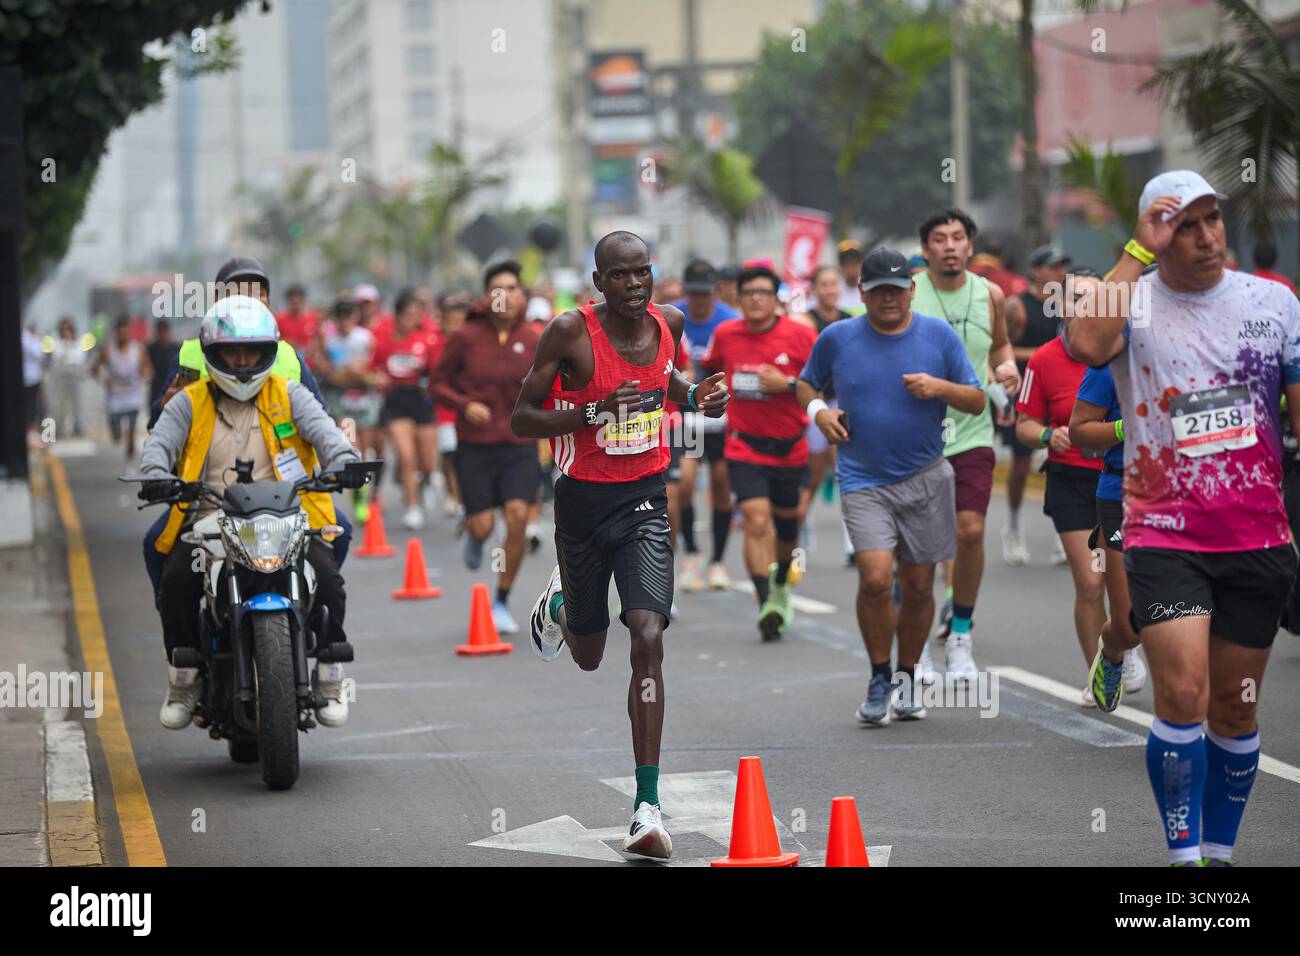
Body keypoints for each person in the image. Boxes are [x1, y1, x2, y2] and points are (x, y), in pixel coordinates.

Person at [1070, 169, 1300, 866]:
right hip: (1164, 532)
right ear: (1156, 234)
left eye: (1211, 220)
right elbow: (1084, 344)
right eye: (1183, 224)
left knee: (1235, 706)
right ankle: (1184, 860)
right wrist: (1136, 254)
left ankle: (1220, 854)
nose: (1204, 237)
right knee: (1183, 692)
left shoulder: (1274, 301)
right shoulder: (1130, 302)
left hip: (1257, 534)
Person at [512, 231, 728, 859]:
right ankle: (560, 606)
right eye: (621, 276)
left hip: (643, 500)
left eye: (643, 274)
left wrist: (699, 399)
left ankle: (647, 806)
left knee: (649, 634)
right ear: (599, 281)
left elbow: (670, 382)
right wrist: (591, 412)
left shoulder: (672, 323)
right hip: (581, 504)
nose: (635, 286)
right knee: (586, 653)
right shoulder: (569, 334)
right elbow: (522, 416)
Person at [138, 295, 363, 730]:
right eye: (231, 352)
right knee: (179, 580)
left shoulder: (290, 393)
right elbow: (159, 444)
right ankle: (184, 678)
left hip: (287, 517)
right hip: (210, 519)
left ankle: (331, 673)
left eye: (252, 352)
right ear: (212, 354)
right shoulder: (189, 401)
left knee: (329, 579)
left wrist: (346, 460)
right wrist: (154, 472)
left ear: (268, 353)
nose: (242, 362)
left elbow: (325, 433)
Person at [798, 246, 984, 724]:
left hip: (925, 477)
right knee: (878, 579)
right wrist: (821, 413)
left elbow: (977, 400)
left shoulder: (937, 336)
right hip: (863, 479)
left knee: (920, 588)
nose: (888, 299)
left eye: (896, 291)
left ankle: (905, 676)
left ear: (911, 292)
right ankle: (880, 674)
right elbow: (806, 384)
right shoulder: (838, 337)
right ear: (861, 291)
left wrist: (937, 387)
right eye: (878, 290)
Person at [910, 209, 1019, 684]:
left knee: (971, 531)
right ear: (927, 249)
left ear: (970, 246)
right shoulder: (909, 291)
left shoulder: (990, 294)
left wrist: (1008, 369)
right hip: (916, 433)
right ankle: (915, 648)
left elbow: (999, 348)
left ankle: (960, 633)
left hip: (972, 429)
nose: (950, 246)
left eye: (958, 238)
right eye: (940, 239)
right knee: (922, 547)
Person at [699, 264, 817, 641]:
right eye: (747, 292)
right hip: (743, 445)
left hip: (790, 449)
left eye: (763, 293)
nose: (754, 299)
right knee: (754, 520)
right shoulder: (726, 334)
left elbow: (821, 386)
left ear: (777, 298)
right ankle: (766, 601)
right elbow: (711, 370)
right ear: (738, 297)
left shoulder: (801, 336)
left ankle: (781, 584)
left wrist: (788, 384)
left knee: (786, 528)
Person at [431, 261, 544, 634]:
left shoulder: (534, 338)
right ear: (486, 296)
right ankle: (476, 533)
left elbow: (553, 386)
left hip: (518, 443)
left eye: (513, 288)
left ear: (522, 295)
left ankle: (501, 599)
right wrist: (465, 405)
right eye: (498, 289)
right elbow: (437, 383)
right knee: (482, 525)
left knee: (516, 517)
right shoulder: (466, 337)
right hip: (475, 445)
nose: (506, 296)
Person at [1014, 294, 1111, 705]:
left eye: (1092, 300)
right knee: (1091, 582)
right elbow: (1024, 425)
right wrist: (1046, 435)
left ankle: (1120, 643)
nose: (1083, 308)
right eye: (1074, 300)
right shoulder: (1044, 359)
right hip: (1070, 479)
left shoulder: (1124, 352)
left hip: (1124, 478)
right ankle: (1101, 673)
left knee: (1129, 582)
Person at [1070, 357, 1148, 711]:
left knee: (1191, 612)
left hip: (1184, 496)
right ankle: (1113, 652)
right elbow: (1080, 431)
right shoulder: (1109, 365)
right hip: (1122, 495)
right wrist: (1124, 428)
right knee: (1130, 625)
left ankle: (1188, 717)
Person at [1001, 245, 1073, 566]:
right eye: (1054, 267)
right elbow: (1001, 349)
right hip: (1025, 391)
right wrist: (1040, 356)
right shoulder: (1018, 307)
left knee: (1063, 462)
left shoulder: (1066, 305)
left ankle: (1064, 532)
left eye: (1063, 266)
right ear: (1037, 272)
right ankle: (1014, 525)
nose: (1060, 272)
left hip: (1060, 391)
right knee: (1020, 465)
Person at [671, 259, 740, 592]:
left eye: (706, 293)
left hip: (721, 413)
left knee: (721, 484)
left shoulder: (730, 321)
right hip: (686, 412)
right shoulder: (673, 318)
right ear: (687, 291)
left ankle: (717, 561)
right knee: (684, 484)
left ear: (715, 291)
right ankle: (693, 553)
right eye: (695, 293)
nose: (700, 300)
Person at [371, 288, 443, 530]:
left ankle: (425, 481)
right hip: (396, 399)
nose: (413, 318)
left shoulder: (428, 337)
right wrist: (376, 378)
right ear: (398, 315)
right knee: (405, 456)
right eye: (409, 314)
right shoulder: (383, 337)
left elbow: (437, 370)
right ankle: (412, 506)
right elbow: (373, 367)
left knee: (427, 463)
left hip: (421, 400)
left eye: (417, 314)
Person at [796, 265, 853, 553]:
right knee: (814, 474)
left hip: (841, 403)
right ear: (815, 290)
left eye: (834, 284)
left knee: (844, 470)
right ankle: (801, 528)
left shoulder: (849, 322)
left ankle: (851, 542)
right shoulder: (805, 322)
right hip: (816, 404)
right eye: (824, 285)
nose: (830, 290)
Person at [92, 316, 152, 460]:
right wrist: (103, 380)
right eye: (121, 332)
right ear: (116, 333)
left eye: (126, 332)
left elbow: (148, 368)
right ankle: (118, 434)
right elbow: (94, 369)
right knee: (117, 437)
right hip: (115, 399)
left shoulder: (138, 348)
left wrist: (145, 374)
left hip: (133, 397)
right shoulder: (108, 350)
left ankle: (130, 462)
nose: (123, 336)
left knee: (132, 433)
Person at [48, 317, 87, 439]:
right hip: (61, 376)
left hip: (74, 375)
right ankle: (60, 428)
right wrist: (65, 346)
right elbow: (56, 357)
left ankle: (77, 426)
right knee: (61, 403)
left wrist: (70, 346)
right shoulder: (57, 343)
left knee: (76, 402)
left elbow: (80, 357)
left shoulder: (78, 343)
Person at [275, 283, 322, 358]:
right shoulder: (279, 319)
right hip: (288, 362)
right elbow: (274, 340)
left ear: (304, 298)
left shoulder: (313, 318)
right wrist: (287, 342)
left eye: (299, 296)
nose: (295, 300)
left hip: (310, 365)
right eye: (292, 296)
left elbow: (320, 340)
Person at [146, 319, 180, 414]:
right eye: (160, 331)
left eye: (165, 331)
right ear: (156, 332)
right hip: (156, 391)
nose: (163, 334)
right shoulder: (150, 349)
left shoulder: (176, 348)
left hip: (172, 389)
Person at [22, 322, 45, 448]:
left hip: (35, 376)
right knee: (29, 406)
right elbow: (38, 354)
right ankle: (29, 432)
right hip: (28, 378)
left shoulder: (32, 338)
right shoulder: (26, 339)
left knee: (35, 405)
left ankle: (32, 432)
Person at [835, 241, 866, 314]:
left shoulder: (870, 290)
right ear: (840, 266)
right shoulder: (832, 291)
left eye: (856, 262)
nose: (852, 267)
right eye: (847, 262)